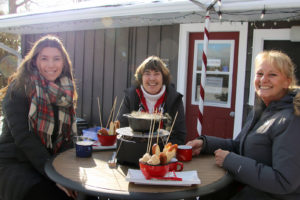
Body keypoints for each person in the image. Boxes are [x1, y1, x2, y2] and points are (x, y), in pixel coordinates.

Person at [187, 50, 300, 200]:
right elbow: (240, 147)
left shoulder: (292, 119)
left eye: (272, 75)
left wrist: (231, 161)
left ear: (287, 81)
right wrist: (206, 144)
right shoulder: (261, 110)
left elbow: (283, 182)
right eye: (259, 74)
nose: (263, 79)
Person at [0, 35, 78, 200]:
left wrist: (65, 172)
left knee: (82, 191)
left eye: (56, 59)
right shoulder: (19, 88)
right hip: (17, 161)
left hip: (49, 161)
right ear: (34, 61)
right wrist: (54, 175)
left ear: (63, 63)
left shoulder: (65, 92)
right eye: (44, 58)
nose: (51, 65)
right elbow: (24, 137)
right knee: (49, 194)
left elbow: (66, 138)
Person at [118, 55, 186, 145]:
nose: (152, 78)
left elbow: (179, 136)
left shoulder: (174, 99)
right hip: (134, 152)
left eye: (156, 73)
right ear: (141, 77)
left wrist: (158, 151)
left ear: (163, 77)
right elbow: (122, 129)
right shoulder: (131, 97)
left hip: (162, 154)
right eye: (147, 73)